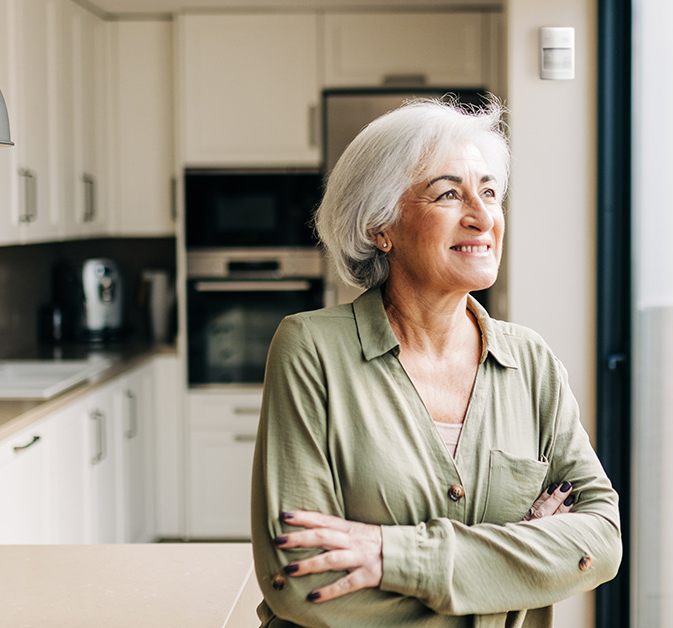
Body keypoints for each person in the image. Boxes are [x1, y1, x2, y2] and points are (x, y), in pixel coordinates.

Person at [251, 98, 622, 628]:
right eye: (449, 193)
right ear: (381, 225)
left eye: (490, 192)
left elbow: (601, 541)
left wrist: (390, 556)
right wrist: (518, 557)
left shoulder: (531, 361)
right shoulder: (310, 349)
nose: (482, 216)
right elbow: (302, 580)